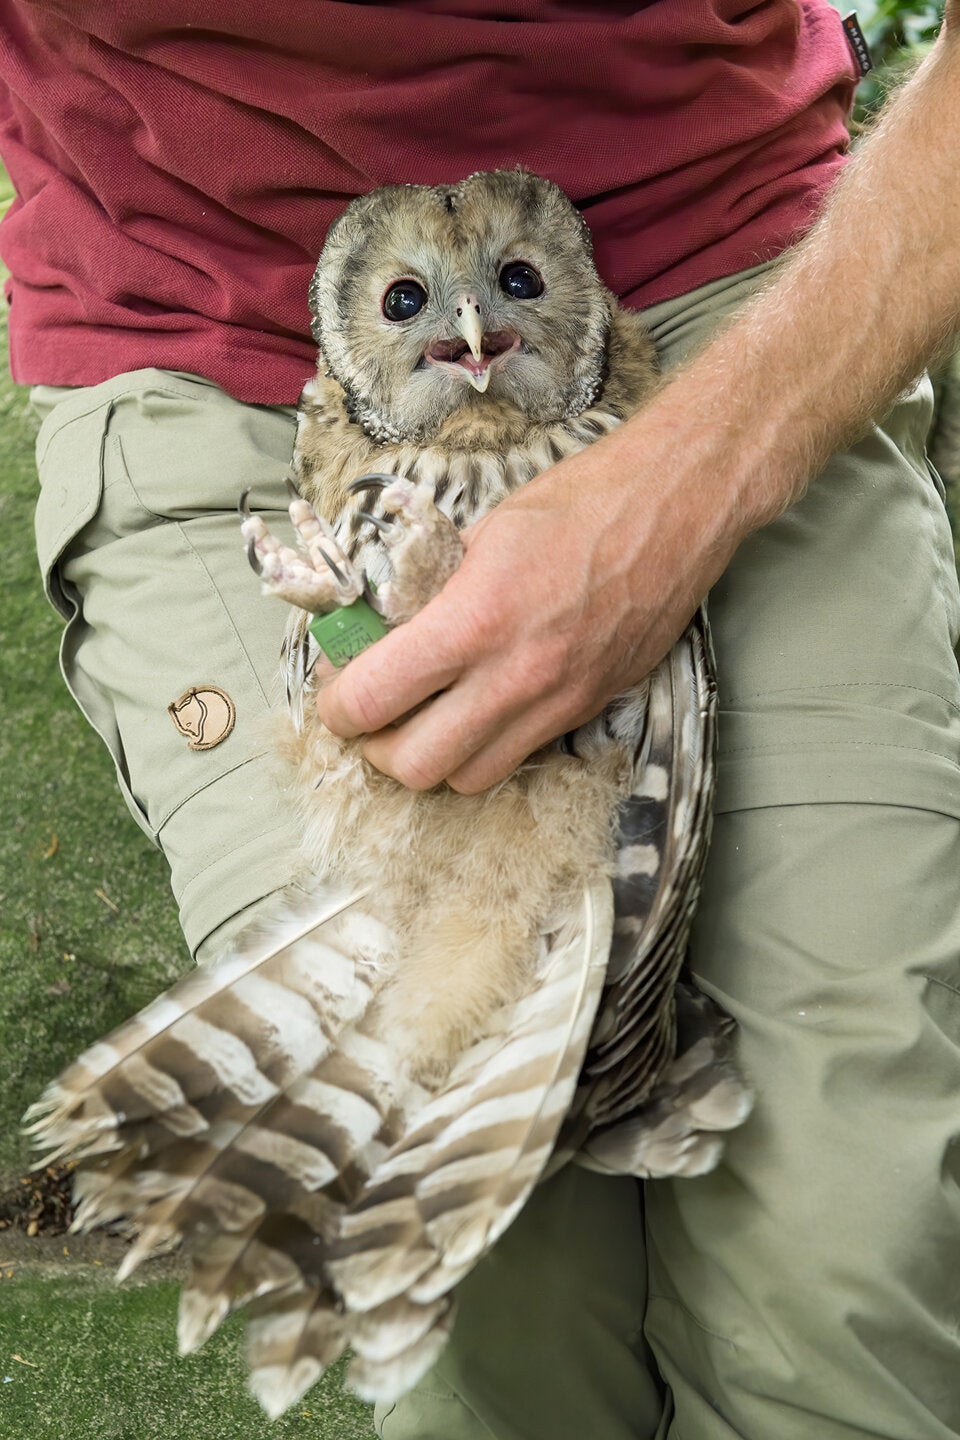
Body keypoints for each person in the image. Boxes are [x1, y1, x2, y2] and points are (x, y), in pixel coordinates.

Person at [3, 3, 960, 1436]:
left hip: (736, 289)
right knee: (473, 1276)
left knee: (850, 1235)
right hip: (228, 333)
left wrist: (690, 490)